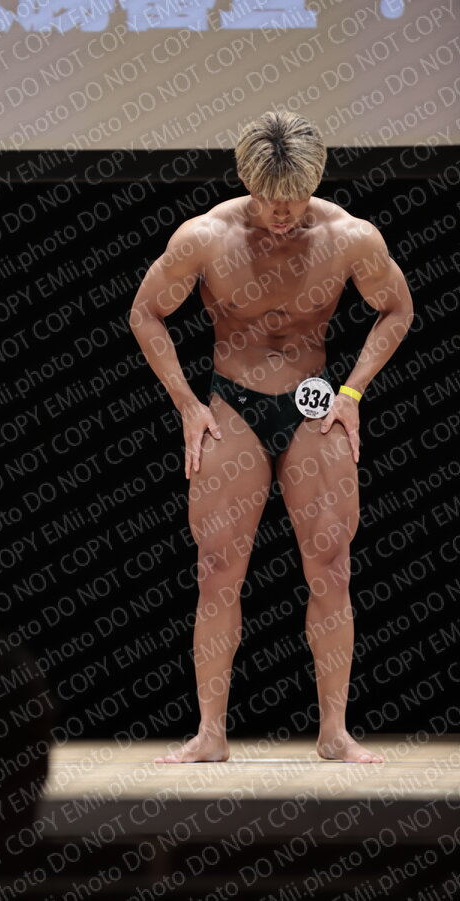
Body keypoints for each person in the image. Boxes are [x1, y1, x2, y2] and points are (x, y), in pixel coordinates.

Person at [129, 110, 413, 764]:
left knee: (332, 567)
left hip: (313, 404)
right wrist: (187, 405)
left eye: (295, 198)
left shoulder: (350, 237)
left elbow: (397, 308)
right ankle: (210, 733)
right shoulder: (206, 237)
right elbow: (145, 312)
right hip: (232, 402)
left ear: (315, 182)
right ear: (247, 182)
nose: (282, 213)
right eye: (268, 198)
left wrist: (352, 393)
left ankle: (335, 732)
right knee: (216, 570)